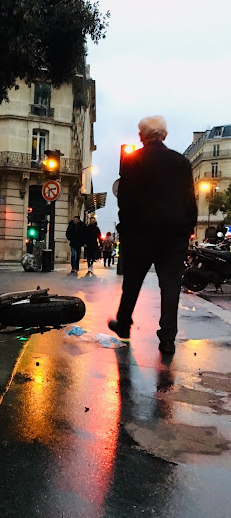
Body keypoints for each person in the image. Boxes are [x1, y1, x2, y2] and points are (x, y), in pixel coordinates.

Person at [108, 115, 197, 355]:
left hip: (141, 232)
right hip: (174, 234)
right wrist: (188, 227)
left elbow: (125, 200)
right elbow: (190, 200)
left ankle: (124, 324)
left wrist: (126, 229)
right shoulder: (182, 163)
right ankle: (167, 338)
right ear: (164, 135)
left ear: (142, 136)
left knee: (133, 280)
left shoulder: (132, 160)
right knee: (170, 286)